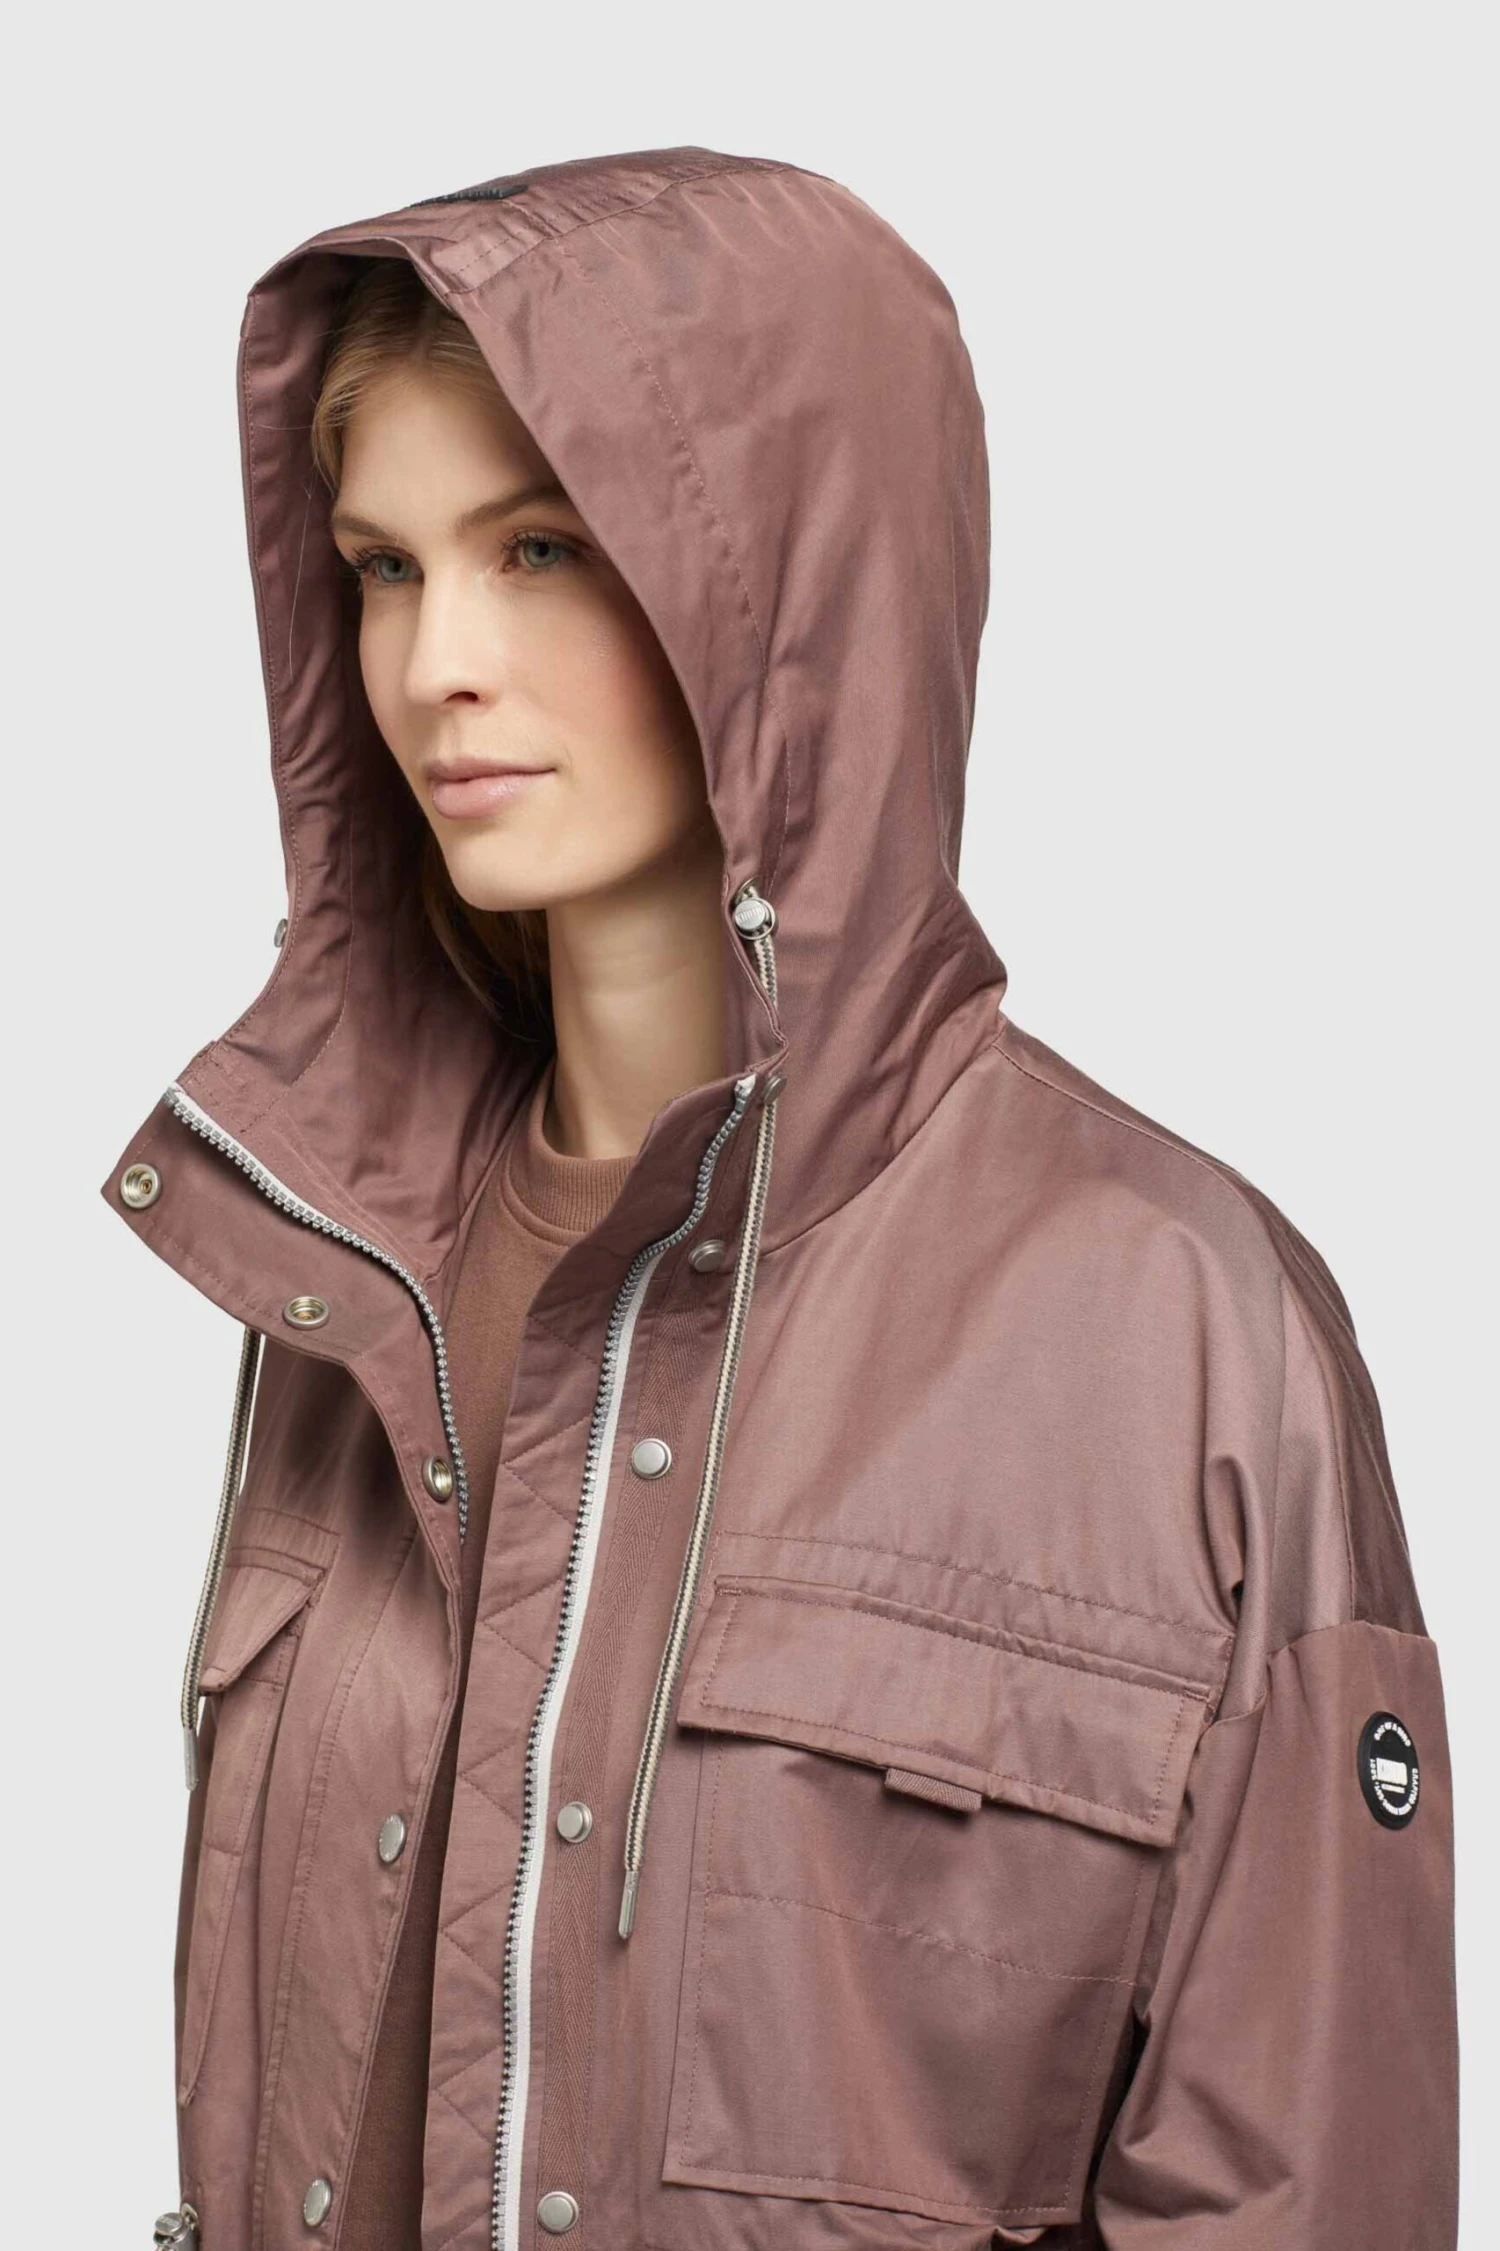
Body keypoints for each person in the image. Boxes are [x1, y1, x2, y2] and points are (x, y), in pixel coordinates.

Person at [107, 147, 1457, 2251]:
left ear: (797, 595)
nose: (439, 660)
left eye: (540, 547)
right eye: (382, 566)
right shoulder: (349, 1274)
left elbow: (1308, 2185)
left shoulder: (1181, 1326)